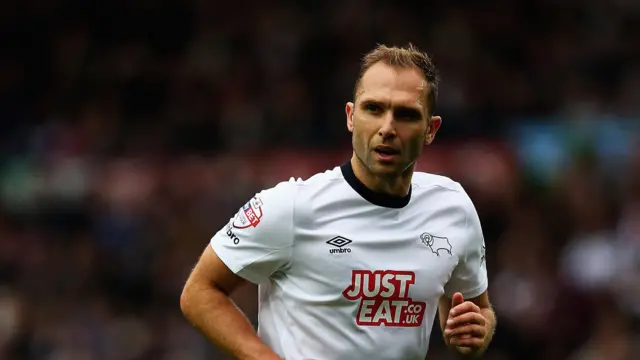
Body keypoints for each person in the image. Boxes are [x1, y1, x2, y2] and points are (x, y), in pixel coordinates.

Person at [180, 44, 496, 360]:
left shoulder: (453, 208)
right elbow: (199, 291)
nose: (387, 128)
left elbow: (479, 311)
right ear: (351, 117)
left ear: (430, 129)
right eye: (374, 108)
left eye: (406, 114)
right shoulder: (291, 206)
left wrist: (475, 333)